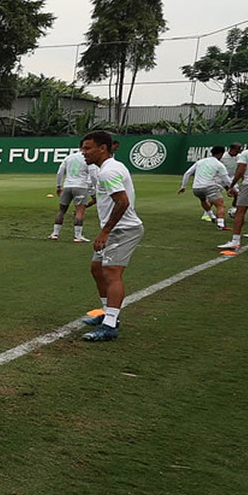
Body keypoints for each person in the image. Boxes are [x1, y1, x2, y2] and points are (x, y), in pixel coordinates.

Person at [79, 131, 143, 342]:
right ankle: (108, 313)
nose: (83, 152)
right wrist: (89, 204)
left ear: (102, 148)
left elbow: (122, 202)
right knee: (96, 269)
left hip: (123, 229)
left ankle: (110, 325)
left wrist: (105, 232)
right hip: (114, 228)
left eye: (88, 148)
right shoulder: (105, 170)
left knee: (111, 273)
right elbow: (110, 196)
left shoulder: (108, 171)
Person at [49, 145, 98, 242]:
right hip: (81, 186)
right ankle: (77, 236)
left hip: (67, 186)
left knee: (61, 211)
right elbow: (93, 176)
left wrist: (59, 186)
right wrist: (96, 188)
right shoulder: (88, 159)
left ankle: (55, 234)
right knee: (79, 212)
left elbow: (59, 172)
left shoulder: (69, 157)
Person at [178, 146, 232, 230]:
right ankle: (221, 225)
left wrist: (183, 186)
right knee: (220, 205)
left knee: (203, 200)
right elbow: (227, 180)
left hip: (196, 188)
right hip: (209, 187)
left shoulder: (200, 161)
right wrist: (233, 189)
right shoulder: (219, 164)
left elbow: (187, 173)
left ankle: (211, 216)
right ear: (221, 154)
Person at [219, 143, 243, 217]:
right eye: (237, 150)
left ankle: (234, 209)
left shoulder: (240, 157)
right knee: (214, 197)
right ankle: (206, 213)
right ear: (231, 149)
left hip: (231, 179)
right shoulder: (222, 157)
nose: (238, 152)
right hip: (219, 179)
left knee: (238, 195)